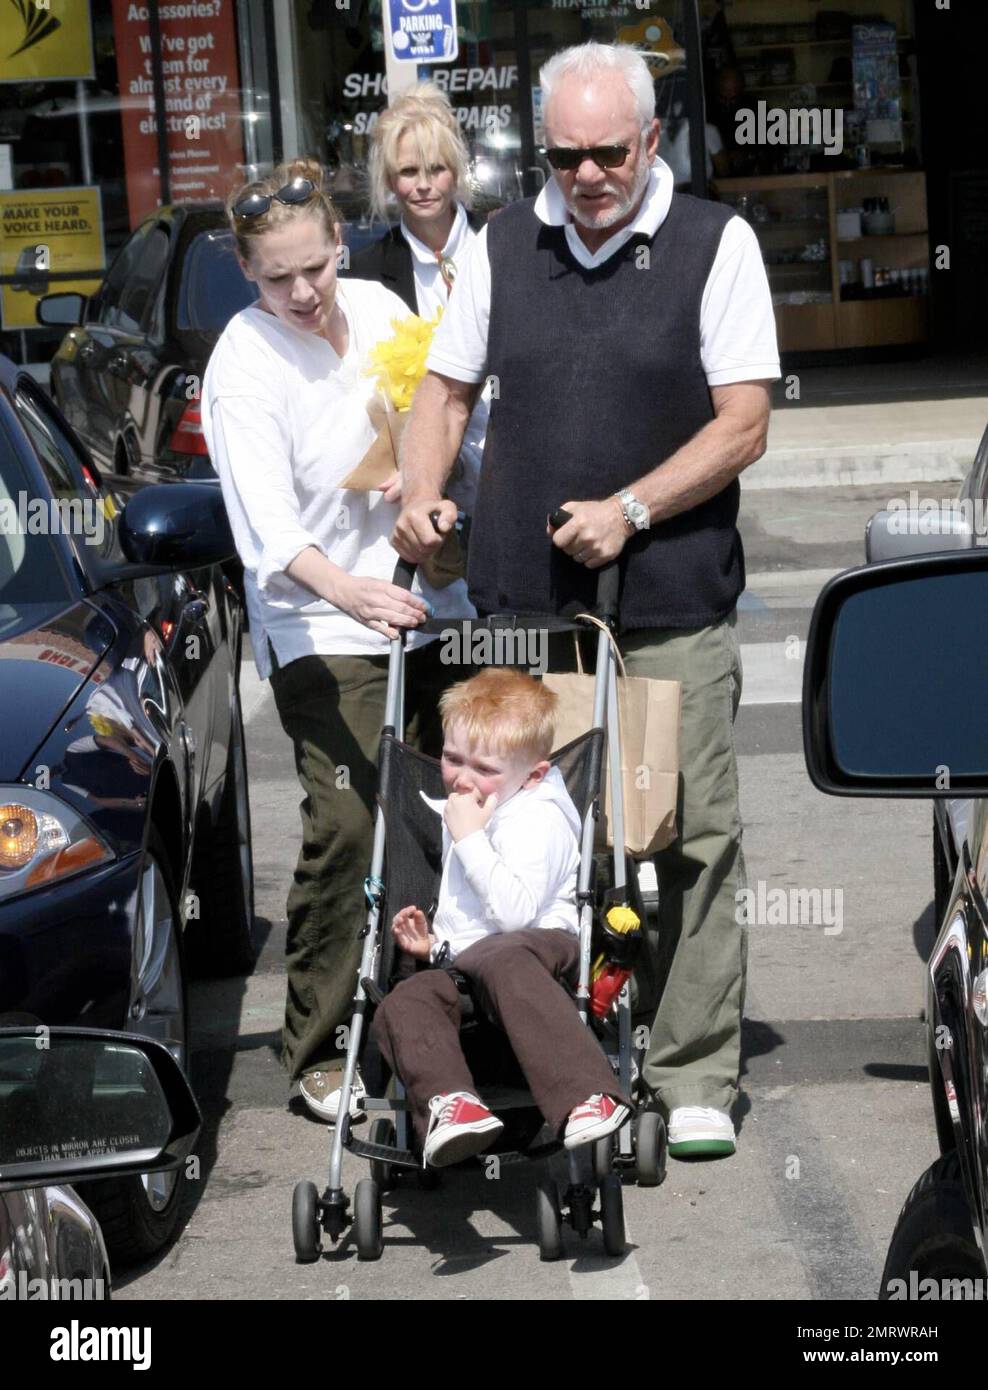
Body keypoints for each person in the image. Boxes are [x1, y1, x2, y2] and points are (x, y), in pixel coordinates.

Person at [393, 42, 781, 1160]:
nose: (587, 174)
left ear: (651, 140)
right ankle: (542, 1052)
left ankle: (695, 1063)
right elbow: (445, 389)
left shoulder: (718, 242)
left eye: (609, 151)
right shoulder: (505, 244)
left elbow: (744, 420)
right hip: (526, 611)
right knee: (530, 840)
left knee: (677, 835)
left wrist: (632, 507)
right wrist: (421, 495)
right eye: (565, 154)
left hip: (663, 603)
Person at [200, 158, 472, 1122]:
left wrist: (430, 477)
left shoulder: (381, 309)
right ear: (245, 270)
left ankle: (452, 1018)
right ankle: (317, 1049)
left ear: (340, 245)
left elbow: (446, 416)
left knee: (473, 808)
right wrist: (350, 592)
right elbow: (269, 531)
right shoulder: (243, 364)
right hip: (319, 617)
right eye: (278, 278)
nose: (304, 293)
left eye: (313, 266)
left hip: (425, 597)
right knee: (353, 819)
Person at [371, 667, 631, 1166]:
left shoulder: (541, 816)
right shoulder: (474, 800)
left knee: (502, 957)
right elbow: (470, 923)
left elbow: (513, 917)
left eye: (483, 768)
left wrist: (469, 837)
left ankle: (586, 1094)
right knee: (402, 1001)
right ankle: (453, 1103)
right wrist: (433, 949)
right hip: (471, 968)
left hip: (539, 953)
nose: (462, 779)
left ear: (533, 774)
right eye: (451, 759)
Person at [341, 81, 490, 520]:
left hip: (513, 470)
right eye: (408, 173)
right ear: (389, 179)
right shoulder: (365, 272)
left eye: (437, 169)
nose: (424, 186)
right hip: (423, 493)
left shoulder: (503, 242)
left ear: (458, 171)